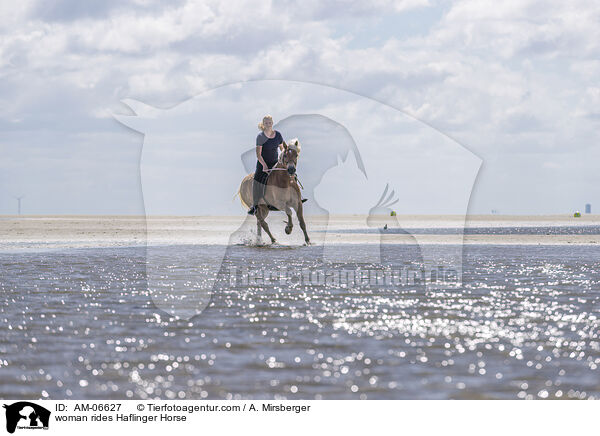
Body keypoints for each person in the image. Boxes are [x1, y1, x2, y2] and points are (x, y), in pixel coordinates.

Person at [248, 115, 284, 215]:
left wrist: (283, 157)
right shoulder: (260, 137)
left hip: (275, 163)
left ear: (272, 123)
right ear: (263, 124)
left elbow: (282, 149)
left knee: (290, 173)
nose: (268, 125)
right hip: (263, 164)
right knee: (256, 180)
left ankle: (298, 197)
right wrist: (264, 165)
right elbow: (258, 155)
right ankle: (255, 205)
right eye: (266, 123)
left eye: (270, 123)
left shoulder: (278, 135)